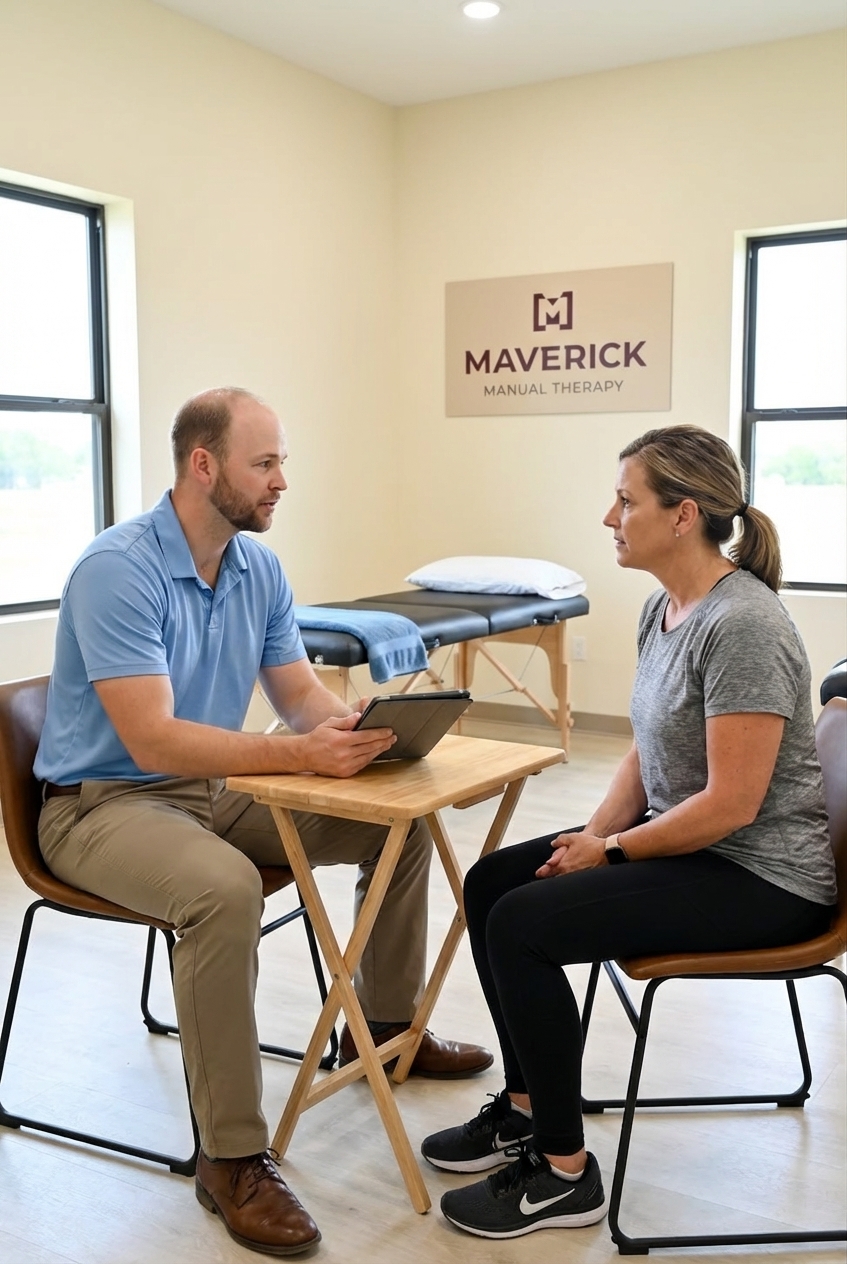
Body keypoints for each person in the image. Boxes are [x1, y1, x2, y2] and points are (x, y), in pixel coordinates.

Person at [35, 386, 492, 1258]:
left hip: (212, 787)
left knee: (391, 826)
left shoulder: (257, 568)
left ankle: (388, 1031)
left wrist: (354, 733)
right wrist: (296, 755)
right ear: (204, 466)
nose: (283, 480)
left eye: (282, 461)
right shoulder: (116, 570)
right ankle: (232, 1158)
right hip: (102, 803)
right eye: (266, 462)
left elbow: (296, 698)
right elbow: (152, 738)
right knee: (223, 889)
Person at [421, 424, 837, 1241]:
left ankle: (563, 1173)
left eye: (623, 500)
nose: (607, 516)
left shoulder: (743, 624)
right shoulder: (665, 608)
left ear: (681, 515)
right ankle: (527, 1106)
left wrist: (606, 852)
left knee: (524, 925)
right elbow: (647, 750)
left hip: (763, 879)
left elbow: (730, 806)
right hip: (700, 848)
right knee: (494, 882)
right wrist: (587, 836)